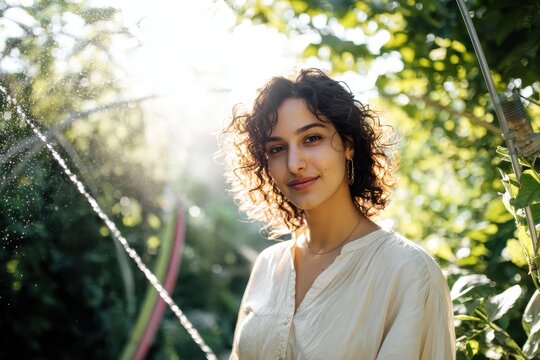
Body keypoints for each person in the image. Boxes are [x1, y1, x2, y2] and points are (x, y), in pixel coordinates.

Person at [222, 68, 455, 359]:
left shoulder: (408, 271)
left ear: (348, 144)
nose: (294, 164)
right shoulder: (268, 266)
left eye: (311, 139)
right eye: (278, 148)